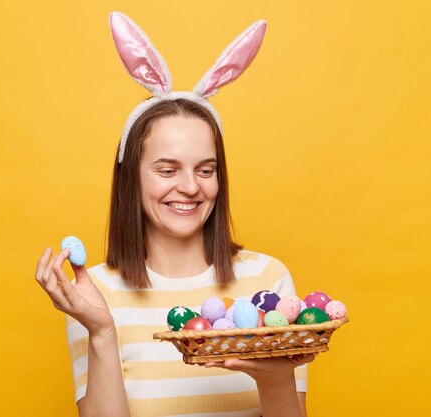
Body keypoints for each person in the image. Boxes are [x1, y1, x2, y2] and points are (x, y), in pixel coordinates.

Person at [34, 11, 317, 417]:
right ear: (131, 178)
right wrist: (100, 330)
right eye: (167, 170)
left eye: (206, 169)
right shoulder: (95, 292)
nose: (189, 186)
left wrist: (275, 378)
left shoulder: (267, 282)